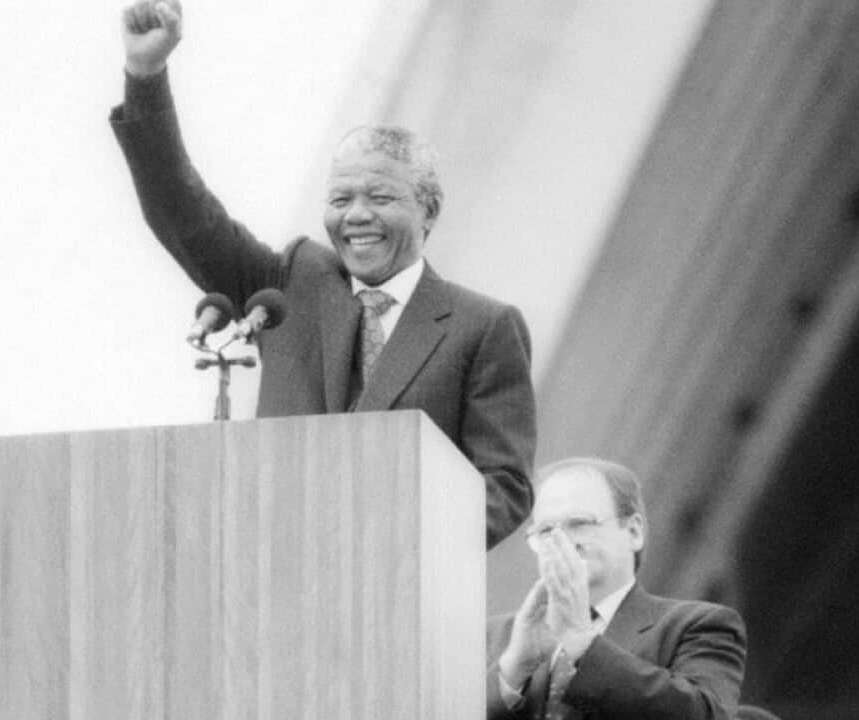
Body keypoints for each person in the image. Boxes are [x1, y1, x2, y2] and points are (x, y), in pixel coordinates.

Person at [111, 0, 536, 548]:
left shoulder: (482, 328)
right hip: (267, 573)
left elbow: (503, 487)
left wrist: (395, 542)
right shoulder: (292, 284)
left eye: (379, 196)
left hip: (398, 593)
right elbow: (183, 214)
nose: (355, 215)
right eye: (340, 198)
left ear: (428, 211)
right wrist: (146, 76)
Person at [487, 458, 746, 719]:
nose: (562, 541)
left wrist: (582, 643)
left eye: (579, 523)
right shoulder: (496, 637)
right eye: (545, 531)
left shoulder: (696, 627)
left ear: (634, 532)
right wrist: (511, 675)